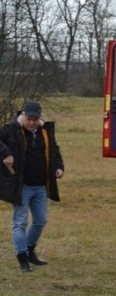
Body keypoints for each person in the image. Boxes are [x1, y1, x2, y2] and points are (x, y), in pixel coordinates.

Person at [0, 101, 64, 273]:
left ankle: (29, 251)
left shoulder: (45, 131)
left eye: (35, 119)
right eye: (29, 119)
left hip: (41, 186)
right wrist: (5, 153)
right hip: (22, 187)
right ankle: (22, 259)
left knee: (41, 221)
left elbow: (54, 150)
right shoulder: (11, 129)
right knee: (20, 223)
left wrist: (59, 166)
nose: (32, 123)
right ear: (23, 116)